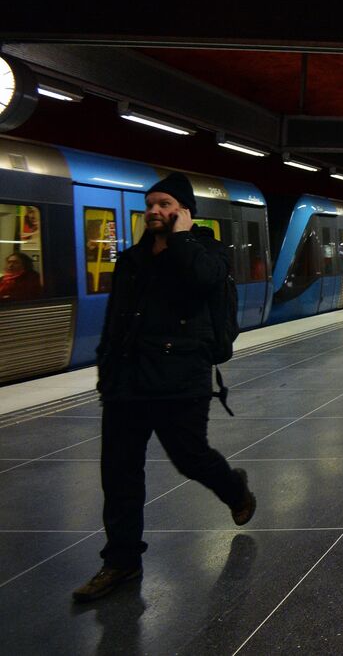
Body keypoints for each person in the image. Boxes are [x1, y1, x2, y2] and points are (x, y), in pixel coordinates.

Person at [72, 173, 255, 603]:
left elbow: (202, 282)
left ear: (184, 210)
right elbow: (117, 317)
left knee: (190, 459)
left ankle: (234, 488)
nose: (154, 210)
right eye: (150, 203)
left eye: (165, 203)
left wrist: (183, 237)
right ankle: (121, 561)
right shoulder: (132, 260)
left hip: (180, 382)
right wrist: (105, 368)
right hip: (126, 384)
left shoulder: (206, 252)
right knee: (118, 475)